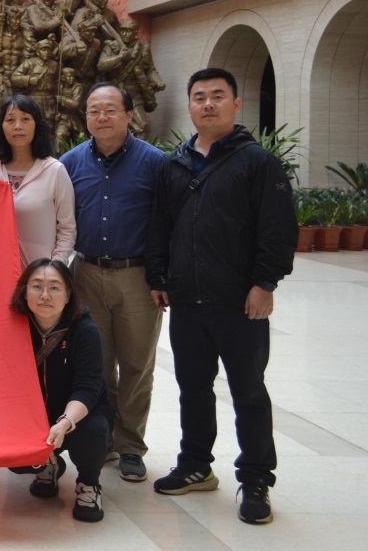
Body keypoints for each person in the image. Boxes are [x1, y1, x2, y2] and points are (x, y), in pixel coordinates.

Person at [146, 68, 297, 525]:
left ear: (236, 103)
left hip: (239, 301)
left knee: (248, 391)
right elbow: (161, 225)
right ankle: (195, 464)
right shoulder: (174, 164)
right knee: (192, 388)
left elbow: (278, 228)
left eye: (217, 96)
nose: (207, 104)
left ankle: (256, 478)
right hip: (187, 300)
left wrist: (264, 284)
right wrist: (159, 276)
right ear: (190, 106)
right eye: (199, 97)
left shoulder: (258, 162)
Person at [60, 83, 167, 483]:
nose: (101, 117)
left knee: (137, 364)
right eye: (93, 111)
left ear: (129, 115)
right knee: (97, 365)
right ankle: (102, 437)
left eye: (109, 110)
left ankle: (131, 446)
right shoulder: (69, 163)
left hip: (138, 277)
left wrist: (163, 276)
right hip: (86, 273)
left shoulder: (156, 163)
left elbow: (168, 223)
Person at [10, 258, 111, 522]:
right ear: (24, 291)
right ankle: (47, 466)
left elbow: (88, 387)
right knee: (11, 451)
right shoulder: (13, 327)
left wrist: (65, 423)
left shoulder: (85, 330)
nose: (45, 295)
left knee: (94, 430)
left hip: (78, 413)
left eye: (54, 287)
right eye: (36, 286)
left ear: (68, 295)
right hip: (33, 415)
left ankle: (88, 483)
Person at [0, 95, 75, 267]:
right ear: (1, 127)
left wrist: (55, 267)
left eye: (25, 119)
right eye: (10, 120)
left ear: (37, 125)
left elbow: (67, 228)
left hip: (40, 274)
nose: (17, 126)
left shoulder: (54, 171)